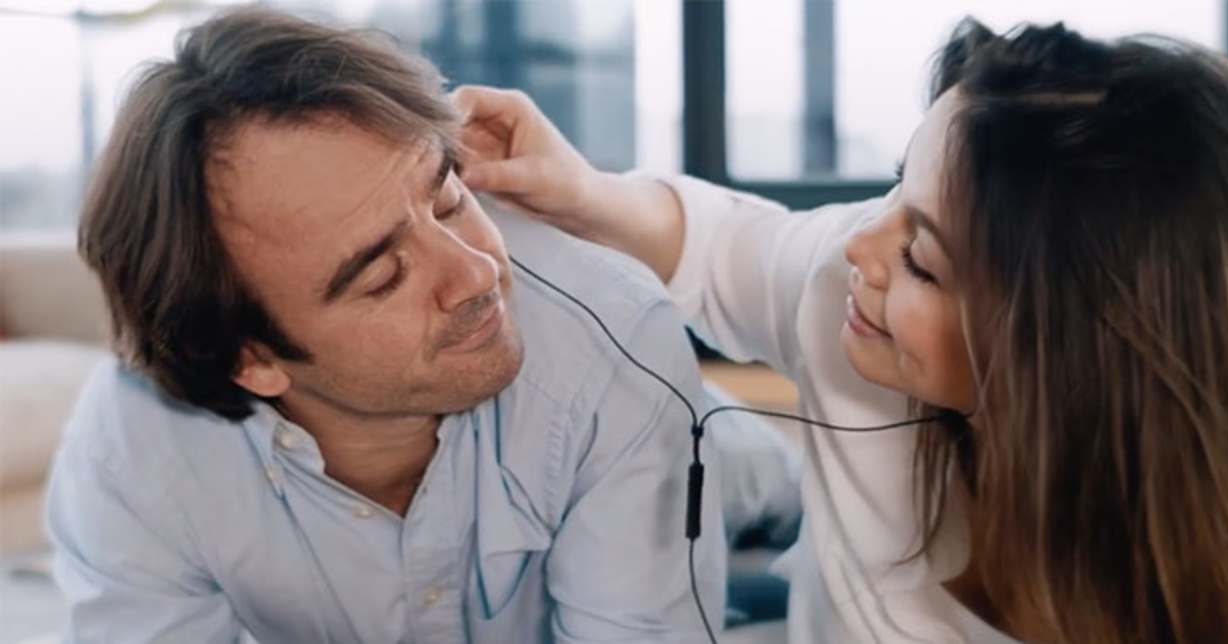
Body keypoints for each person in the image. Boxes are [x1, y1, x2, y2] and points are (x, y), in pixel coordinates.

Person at [449, 19, 1228, 644]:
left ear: (1057, 348)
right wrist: (578, 188)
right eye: (893, 190)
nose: (859, 248)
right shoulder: (851, 285)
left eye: (922, 260)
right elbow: (723, 244)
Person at [45, 8, 732, 642]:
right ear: (251, 359)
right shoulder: (131, 456)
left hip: (721, 460)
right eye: (382, 276)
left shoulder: (613, 334)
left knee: (762, 489)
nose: (476, 274)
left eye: (449, 198)